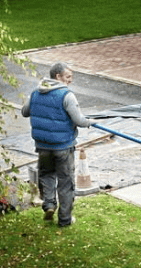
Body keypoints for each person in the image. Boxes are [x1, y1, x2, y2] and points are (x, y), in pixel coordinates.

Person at [21, 62, 91, 227]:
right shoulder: (67, 95)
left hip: (43, 146)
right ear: (58, 77)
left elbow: (24, 112)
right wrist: (91, 122)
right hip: (63, 147)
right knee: (66, 183)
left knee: (46, 175)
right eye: (68, 77)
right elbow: (79, 121)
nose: (70, 81)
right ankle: (65, 220)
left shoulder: (36, 92)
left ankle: (50, 204)